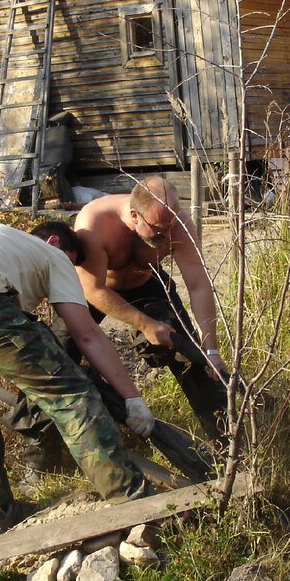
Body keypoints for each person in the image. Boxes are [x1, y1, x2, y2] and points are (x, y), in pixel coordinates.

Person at [0, 220, 158, 531]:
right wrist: (132, 398)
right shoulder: (55, 255)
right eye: (75, 262)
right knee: (72, 396)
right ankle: (132, 503)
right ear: (55, 243)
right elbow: (86, 334)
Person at [72, 176, 228, 444]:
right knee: (58, 353)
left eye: (171, 225)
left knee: (193, 358)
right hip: (94, 288)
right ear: (135, 215)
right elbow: (94, 290)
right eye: (158, 229)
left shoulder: (177, 226)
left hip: (146, 283)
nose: (167, 235)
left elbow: (199, 286)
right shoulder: (95, 222)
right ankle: (42, 454)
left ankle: (226, 443)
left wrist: (210, 350)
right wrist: (146, 325)